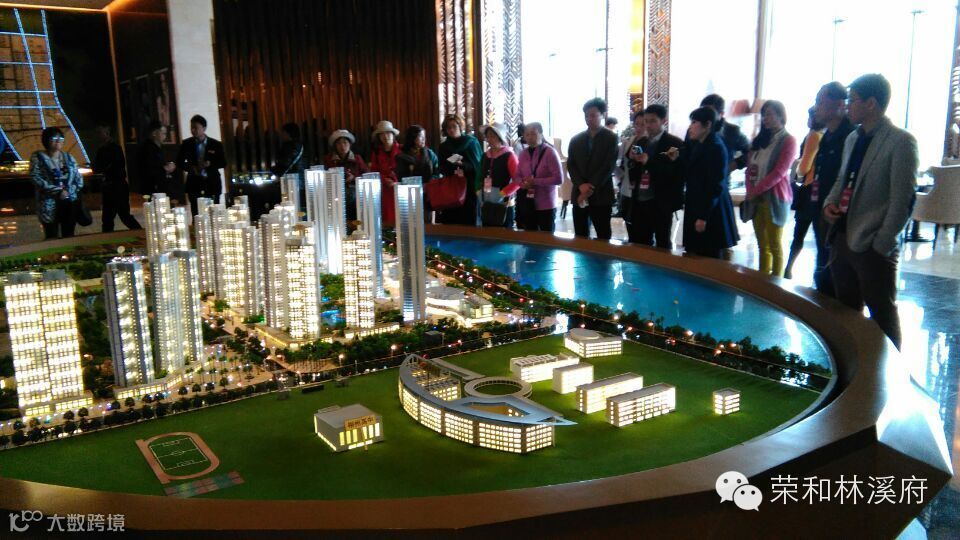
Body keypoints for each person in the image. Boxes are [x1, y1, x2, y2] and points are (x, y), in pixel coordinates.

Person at [823, 74, 917, 350]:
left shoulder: (901, 142)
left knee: (882, 314)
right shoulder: (853, 138)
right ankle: (857, 365)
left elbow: (902, 200)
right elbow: (842, 180)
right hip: (843, 235)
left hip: (872, 243)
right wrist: (830, 203)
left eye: (852, 100)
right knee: (846, 312)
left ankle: (890, 370)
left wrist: (882, 243)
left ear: (871, 103)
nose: (847, 106)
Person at [795, 82, 855, 294]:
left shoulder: (851, 137)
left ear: (839, 104)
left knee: (837, 274)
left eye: (820, 101)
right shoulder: (826, 137)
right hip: (819, 208)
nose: (816, 107)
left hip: (838, 215)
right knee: (822, 266)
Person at [665, 107, 739, 258]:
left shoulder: (715, 148)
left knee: (708, 256)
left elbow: (716, 185)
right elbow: (693, 170)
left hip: (710, 210)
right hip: (697, 204)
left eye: (694, 122)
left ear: (707, 125)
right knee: (696, 253)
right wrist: (677, 159)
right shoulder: (700, 143)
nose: (690, 127)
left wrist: (703, 216)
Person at [743, 100, 798, 277]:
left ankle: (776, 283)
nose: (765, 118)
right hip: (756, 197)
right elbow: (750, 168)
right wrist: (750, 189)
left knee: (775, 243)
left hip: (775, 197)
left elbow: (779, 172)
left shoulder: (788, 140)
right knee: (762, 244)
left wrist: (756, 190)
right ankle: (763, 279)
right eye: (764, 115)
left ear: (781, 116)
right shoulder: (760, 140)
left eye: (769, 114)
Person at [626, 104, 685, 249]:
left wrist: (649, 162)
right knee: (641, 241)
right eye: (646, 121)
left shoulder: (674, 143)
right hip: (641, 198)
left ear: (663, 121)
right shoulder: (641, 142)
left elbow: (675, 174)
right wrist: (633, 161)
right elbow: (634, 172)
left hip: (661, 201)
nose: (648, 125)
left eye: (653, 121)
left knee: (662, 242)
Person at [567, 97, 620, 240]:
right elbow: (571, 165)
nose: (589, 119)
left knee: (603, 235)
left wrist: (590, 188)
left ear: (603, 115)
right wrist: (581, 185)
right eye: (586, 116)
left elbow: (608, 166)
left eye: (593, 115)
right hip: (579, 193)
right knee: (580, 235)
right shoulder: (576, 139)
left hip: (601, 195)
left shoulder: (611, 138)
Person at [784, 108, 825, 280]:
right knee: (819, 236)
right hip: (819, 189)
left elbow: (804, 167)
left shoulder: (813, 135)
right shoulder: (825, 135)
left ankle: (788, 270)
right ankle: (819, 274)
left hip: (808, 189)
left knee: (799, 234)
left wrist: (797, 169)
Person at [30, 127, 83, 240]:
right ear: (46, 140)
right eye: (54, 138)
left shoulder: (68, 158)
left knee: (69, 235)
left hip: (69, 202)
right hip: (49, 204)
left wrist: (68, 192)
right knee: (51, 235)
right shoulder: (38, 157)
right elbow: (36, 178)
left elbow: (79, 180)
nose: (58, 141)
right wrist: (58, 191)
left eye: (61, 138)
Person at [513, 122, 563, 232]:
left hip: (546, 203)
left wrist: (535, 181)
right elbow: (517, 176)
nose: (530, 137)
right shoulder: (523, 153)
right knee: (530, 235)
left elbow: (558, 179)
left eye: (533, 134)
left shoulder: (550, 152)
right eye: (527, 134)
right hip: (528, 202)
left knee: (546, 236)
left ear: (541, 134)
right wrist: (523, 184)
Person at [93, 123, 141, 232]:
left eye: (100, 133)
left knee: (118, 216)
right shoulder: (109, 149)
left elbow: (103, 167)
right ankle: (138, 232)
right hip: (113, 186)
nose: (98, 135)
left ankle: (138, 232)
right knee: (113, 217)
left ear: (107, 133)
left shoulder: (112, 149)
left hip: (116, 186)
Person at [437, 114, 483, 226]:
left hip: (469, 187)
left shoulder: (471, 142)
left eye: (454, 126)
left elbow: (478, 166)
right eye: (448, 127)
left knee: (469, 219)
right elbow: (441, 167)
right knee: (451, 220)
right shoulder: (443, 146)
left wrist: (463, 165)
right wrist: (451, 166)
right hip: (451, 186)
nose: (451, 130)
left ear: (460, 126)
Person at [177, 114, 226, 217]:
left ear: (204, 128)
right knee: (196, 215)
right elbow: (179, 162)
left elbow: (223, 162)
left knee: (213, 214)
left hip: (212, 183)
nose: (193, 130)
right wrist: (191, 168)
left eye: (196, 128)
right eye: (191, 128)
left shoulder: (215, 144)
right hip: (194, 183)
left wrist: (210, 164)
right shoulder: (187, 143)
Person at [479, 123, 519, 228]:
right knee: (487, 233)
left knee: (504, 235)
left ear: (500, 137)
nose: (489, 139)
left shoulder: (510, 156)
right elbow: (479, 176)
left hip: (504, 203)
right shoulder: (485, 156)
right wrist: (478, 192)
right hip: (487, 202)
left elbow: (518, 181)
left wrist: (501, 194)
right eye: (488, 136)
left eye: (493, 136)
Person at [325, 129, 369, 222]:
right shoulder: (329, 160)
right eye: (339, 143)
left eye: (345, 142)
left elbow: (366, 176)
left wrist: (354, 177)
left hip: (356, 194)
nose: (342, 146)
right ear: (335, 146)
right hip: (336, 194)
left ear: (350, 144)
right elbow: (325, 178)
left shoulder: (357, 158)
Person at [700, 94, 750, 173]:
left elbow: (751, 151)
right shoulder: (695, 128)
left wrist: (733, 165)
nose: (704, 116)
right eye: (702, 112)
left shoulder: (733, 131)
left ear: (721, 114)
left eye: (709, 113)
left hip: (721, 177)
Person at [368, 120, 401, 227]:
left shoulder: (402, 149)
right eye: (382, 134)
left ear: (393, 134)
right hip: (383, 188)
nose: (385, 136)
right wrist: (384, 180)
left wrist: (396, 181)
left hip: (400, 188)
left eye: (388, 133)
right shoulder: (376, 152)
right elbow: (374, 171)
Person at [138, 121, 179, 201]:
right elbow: (147, 170)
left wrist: (167, 166)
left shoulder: (157, 147)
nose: (165, 136)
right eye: (163, 133)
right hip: (152, 188)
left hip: (161, 187)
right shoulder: (146, 149)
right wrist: (165, 169)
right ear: (154, 133)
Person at [272, 122, 305, 212]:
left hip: (290, 181)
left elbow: (284, 164)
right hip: (301, 182)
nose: (281, 135)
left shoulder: (289, 146)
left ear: (287, 133)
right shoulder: (301, 145)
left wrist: (273, 170)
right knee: (298, 205)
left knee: (289, 205)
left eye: (283, 132)